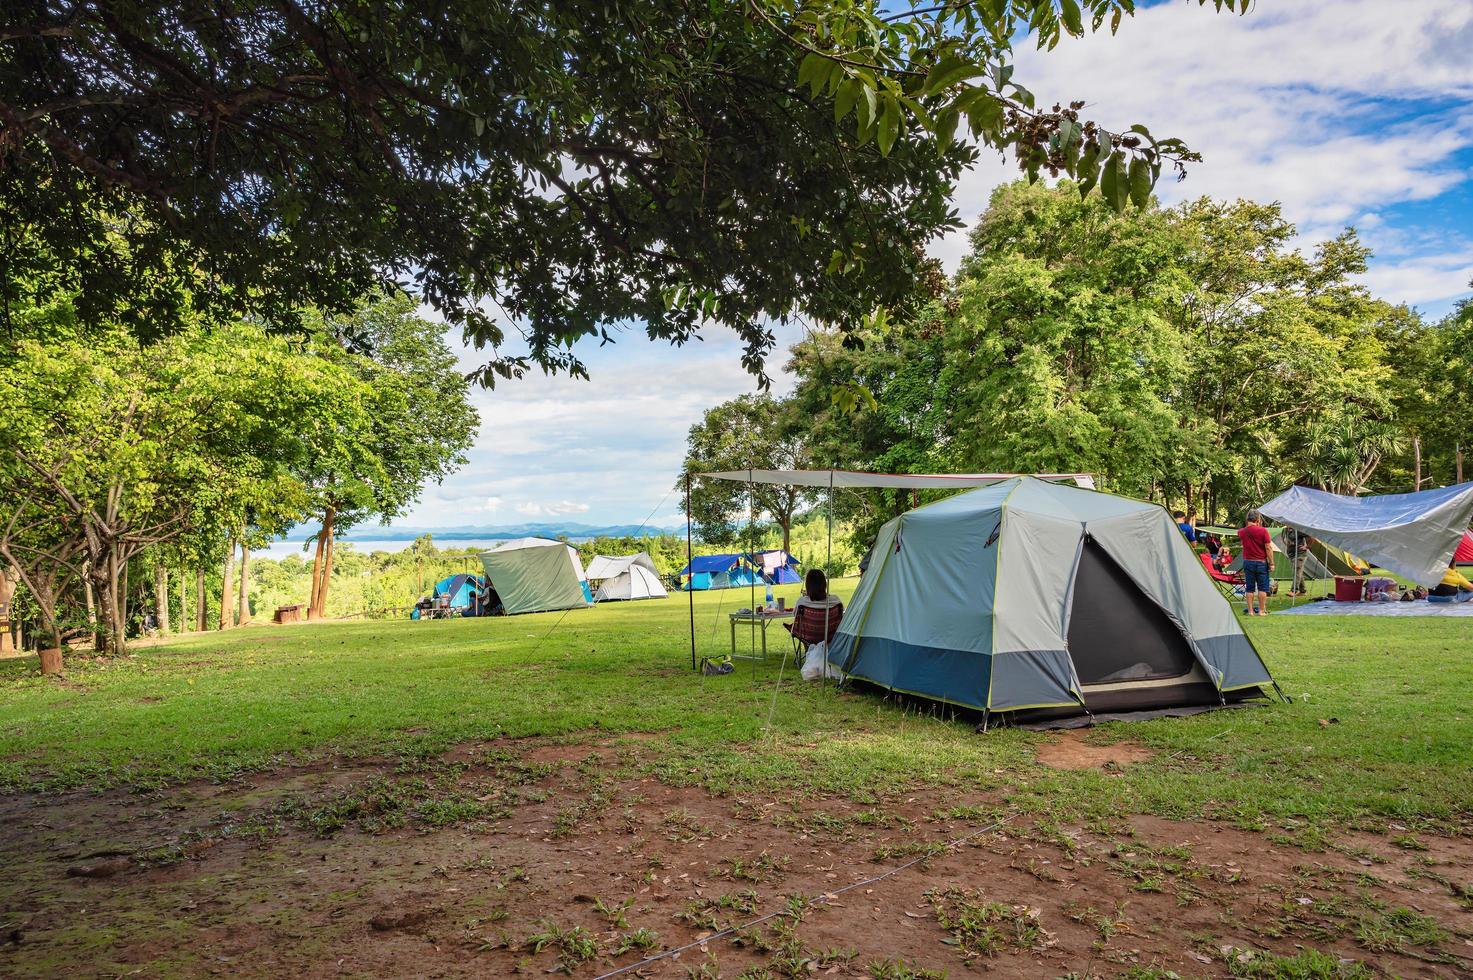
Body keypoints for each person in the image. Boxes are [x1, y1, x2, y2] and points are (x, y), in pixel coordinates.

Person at [787, 568, 844, 647]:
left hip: (808, 638)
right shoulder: (836, 601)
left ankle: (809, 653)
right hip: (830, 638)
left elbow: (795, 615)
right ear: (824, 584)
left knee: (801, 631)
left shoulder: (802, 602)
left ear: (808, 585)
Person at [1237, 510, 1274, 616]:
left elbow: (1243, 542)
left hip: (1248, 562)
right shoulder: (1263, 531)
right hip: (1261, 563)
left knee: (1249, 588)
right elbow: (1268, 547)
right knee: (1262, 588)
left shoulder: (1241, 532)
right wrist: (1271, 563)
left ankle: (1250, 611)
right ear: (1258, 520)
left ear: (1247, 519)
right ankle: (1261, 611)